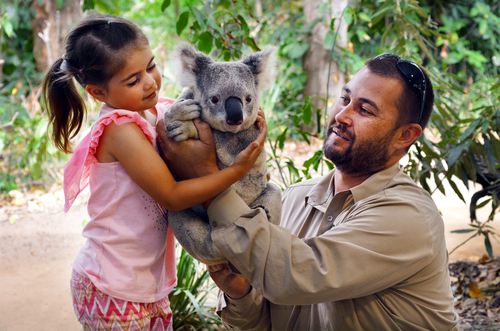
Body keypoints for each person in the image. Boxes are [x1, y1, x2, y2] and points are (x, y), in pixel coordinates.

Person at [157, 53, 460, 330]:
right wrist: (243, 293)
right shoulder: (292, 198)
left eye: (365, 109)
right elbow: (268, 321)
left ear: (405, 135)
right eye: (344, 98)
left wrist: (205, 176)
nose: (342, 115)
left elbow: (295, 278)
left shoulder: (408, 217)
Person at [42, 12, 266, 331]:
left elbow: (208, 110)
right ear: (97, 93)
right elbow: (172, 197)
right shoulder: (119, 128)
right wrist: (238, 169)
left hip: (148, 284)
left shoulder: (156, 110)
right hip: (112, 284)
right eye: (133, 80)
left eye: (150, 66)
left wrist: (245, 113)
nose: (149, 82)